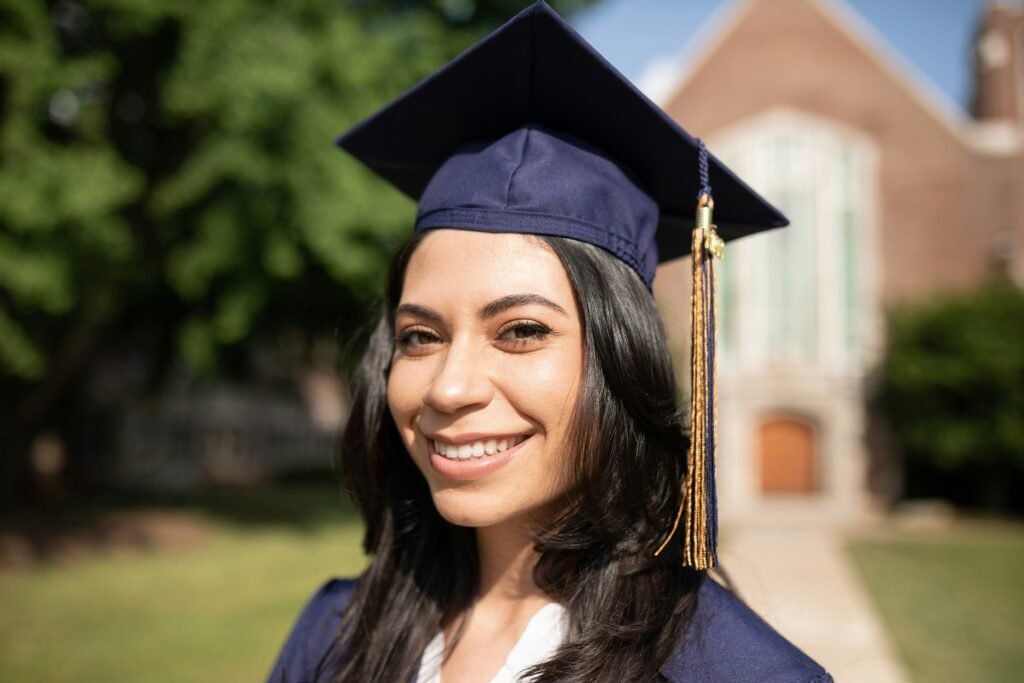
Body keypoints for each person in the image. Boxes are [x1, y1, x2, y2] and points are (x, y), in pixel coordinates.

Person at [267, 3, 833, 682]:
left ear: (623, 361)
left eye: (522, 331)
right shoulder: (335, 636)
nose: (448, 386)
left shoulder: (733, 672)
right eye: (420, 335)